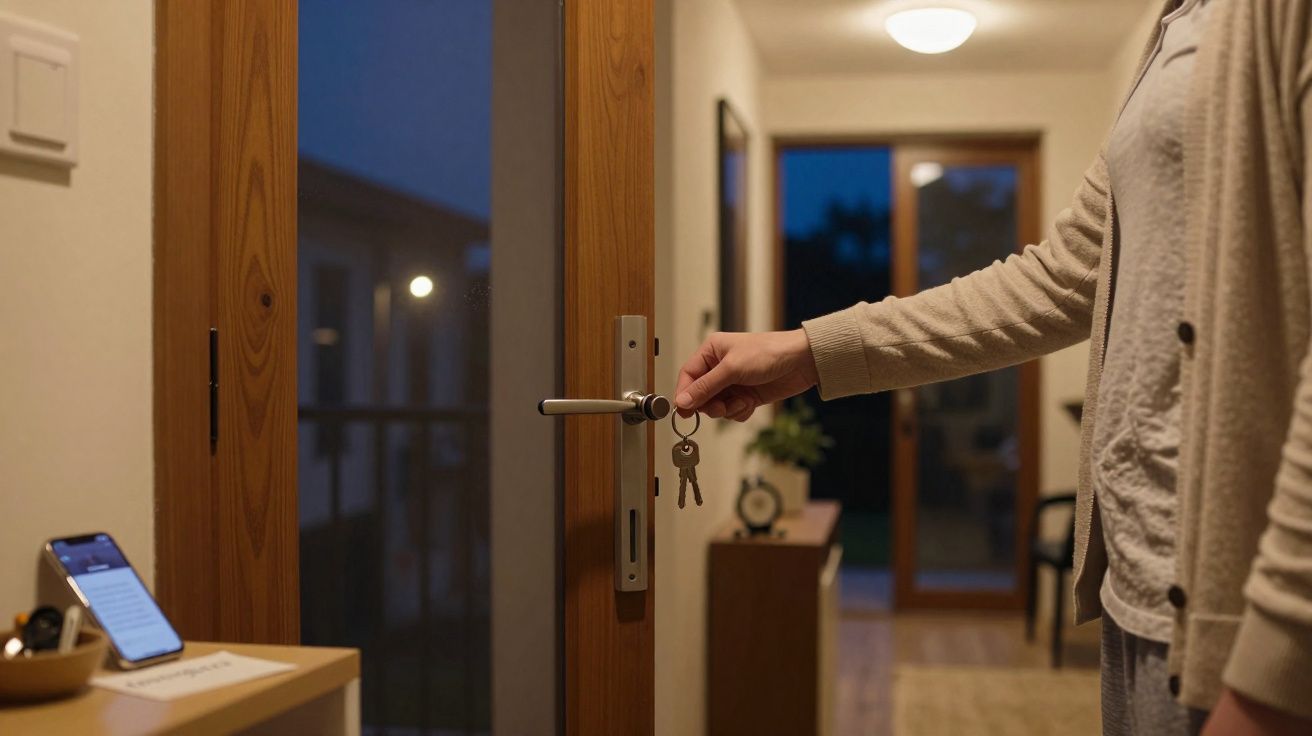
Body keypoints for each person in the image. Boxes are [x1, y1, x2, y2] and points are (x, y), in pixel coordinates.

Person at [674, 1, 1312, 734]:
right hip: (1139, 604)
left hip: (1244, 637)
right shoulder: (1171, 24)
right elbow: (1061, 276)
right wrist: (812, 350)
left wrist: (1279, 668)